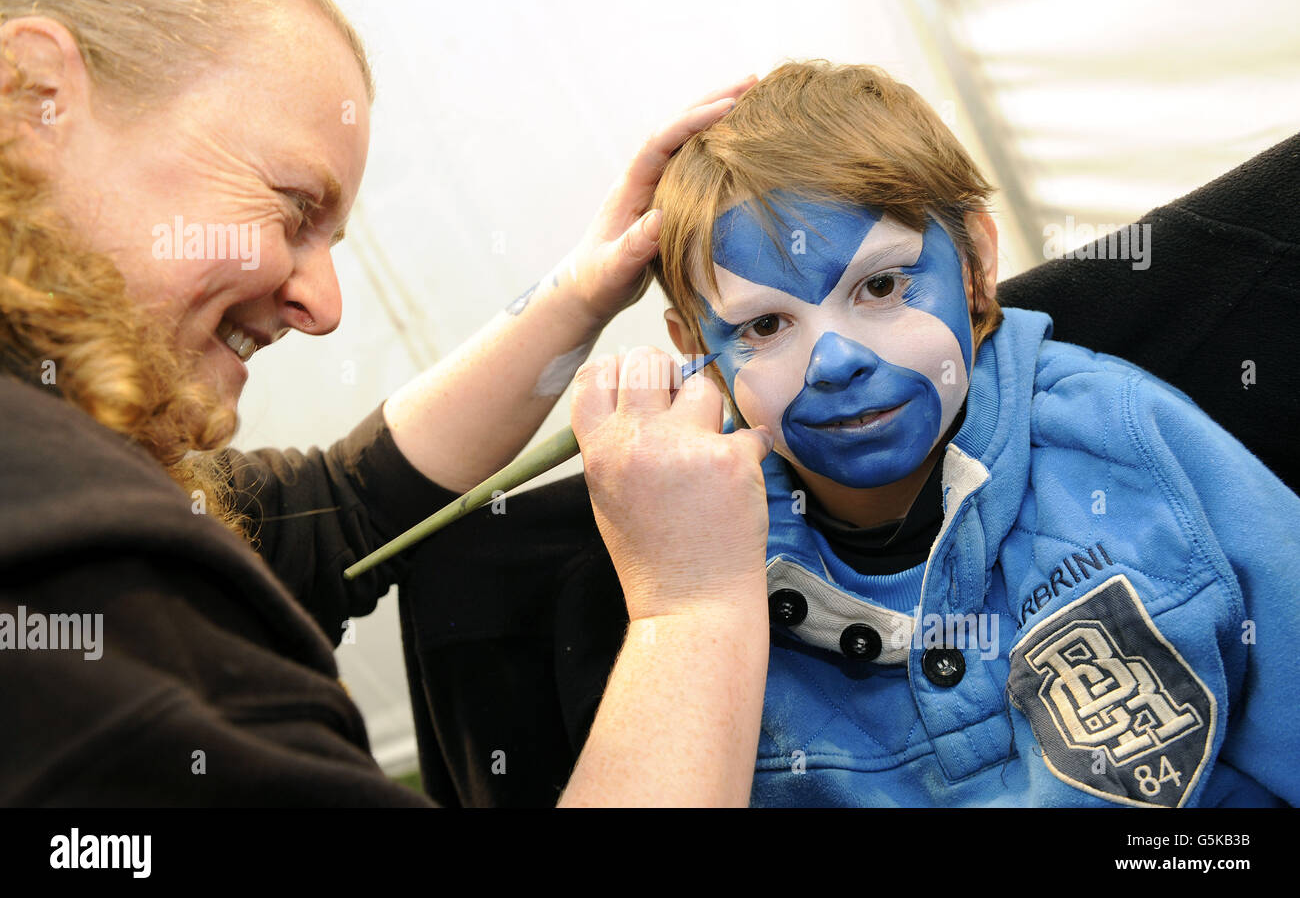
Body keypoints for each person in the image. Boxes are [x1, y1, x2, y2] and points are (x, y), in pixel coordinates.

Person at [403, 61, 1300, 807]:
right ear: (696, 350)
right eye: (763, 327)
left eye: (880, 287)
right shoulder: (696, 571)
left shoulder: (1125, 439)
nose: (833, 361)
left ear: (979, 265)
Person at [0, 0, 774, 807]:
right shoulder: (62, 574)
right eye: (293, 208)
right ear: (37, 97)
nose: (324, 305)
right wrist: (691, 605)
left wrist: (582, 291)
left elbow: (343, 508)